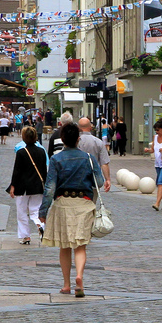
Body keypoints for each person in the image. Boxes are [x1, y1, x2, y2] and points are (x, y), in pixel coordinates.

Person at [39, 123, 97, 297]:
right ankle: (80, 277)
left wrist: (43, 211)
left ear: (62, 140)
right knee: (80, 246)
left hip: (63, 203)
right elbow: (99, 182)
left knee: (64, 246)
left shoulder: (56, 160)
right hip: (84, 204)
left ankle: (66, 284)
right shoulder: (88, 158)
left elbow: (49, 188)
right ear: (78, 139)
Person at [10, 126, 48, 245]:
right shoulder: (41, 151)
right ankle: (40, 225)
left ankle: (25, 236)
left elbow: (17, 171)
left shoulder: (21, 152)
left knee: (21, 211)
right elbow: (44, 170)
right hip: (38, 186)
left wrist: (13, 186)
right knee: (36, 210)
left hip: (23, 187)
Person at [77, 118, 111, 191]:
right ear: (90, 127)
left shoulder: (74, 141)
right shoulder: (98, 142)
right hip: (92, 180)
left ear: (78, 128)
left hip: (76, 180)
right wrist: (107, 179)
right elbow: (104, 163)